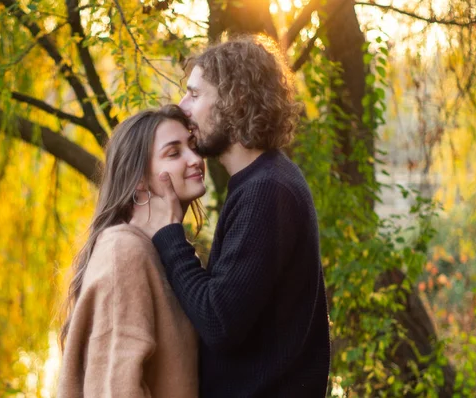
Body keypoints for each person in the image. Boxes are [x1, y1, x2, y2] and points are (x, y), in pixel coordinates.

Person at [131, 35, 331, 397]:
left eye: (194, 94)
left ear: (235, 99)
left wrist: (169, 233)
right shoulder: (261, 182)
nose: (182, 105)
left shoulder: (267, 191)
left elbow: (219, 322)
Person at [57, 105, 206, 397]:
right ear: (139, 179)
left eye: (192, 146)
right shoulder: (124, 251)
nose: (196, 159)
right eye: (174, 153)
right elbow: (115, 388)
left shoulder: (165, 254)